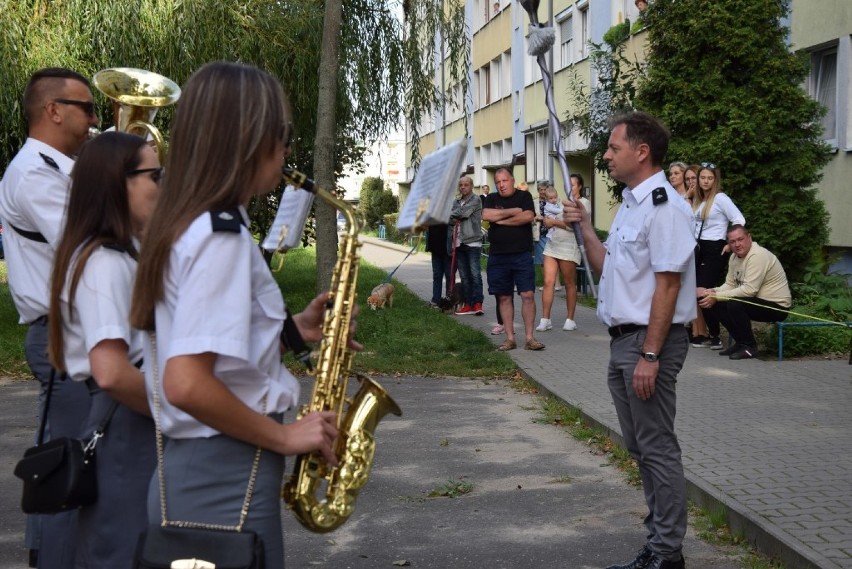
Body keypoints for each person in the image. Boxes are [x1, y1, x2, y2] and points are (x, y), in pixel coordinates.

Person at [130, 62, 346, 569]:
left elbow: (210, 353)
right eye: (283, 134)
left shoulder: (192, 223)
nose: (288, 150)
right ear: (248, 137)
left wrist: (293, 332)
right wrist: (286, 436)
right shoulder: (218, 236)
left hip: (207, 474)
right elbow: (185, 382)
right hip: (226, 480)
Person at [563, 111, 695, 569]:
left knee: (656, 446)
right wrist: (583, 226)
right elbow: (607, 267)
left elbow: (669, 286)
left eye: (613, 147)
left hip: (648, 342)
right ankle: (661, 533)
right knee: (640, 446)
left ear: (642, 152)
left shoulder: (665, 208)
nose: (605, 155)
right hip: (624, 341)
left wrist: (651, 354)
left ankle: (666, 553)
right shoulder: (631, 206)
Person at [0, 67, 100, 569]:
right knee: (67, 473)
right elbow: (87, 243)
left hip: (75, 334)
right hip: (63, 336)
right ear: (53, 110)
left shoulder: (60, 169)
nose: (96, 118)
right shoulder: (35, 173)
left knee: (65, 467)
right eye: (87, 108)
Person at [47, 132, 158, 567]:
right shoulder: (104, 262)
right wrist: (185, 410)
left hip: (129, 418)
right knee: (126, 549)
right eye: (155, 175)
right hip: (126, 422)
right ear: (119, 183)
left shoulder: (120, 254)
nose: (162, 185)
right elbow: (112, 371)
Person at [698, 225, 791, 360]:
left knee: (735, 304)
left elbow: (749, 290)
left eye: (740, 239)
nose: (737, 244)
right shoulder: (734, 258)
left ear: (749, 237)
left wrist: (717, 296)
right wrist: (712, 291)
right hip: (756, 302)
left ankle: (750, 347)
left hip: (776, 306)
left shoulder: (757, 255)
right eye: (732, 242)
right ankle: (741, 343)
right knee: (715, 304)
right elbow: (730, 285)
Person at [482, 168, 544, 351]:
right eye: (498, 182)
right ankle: (510, 338)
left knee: (527, 295)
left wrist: (500, 219)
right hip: (498, 256)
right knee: (504, 296)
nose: (501, 185)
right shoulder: (492, 198)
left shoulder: (524, 197)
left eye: (504, 181)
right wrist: (513, 212)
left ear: (512, 180)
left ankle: (530, 338)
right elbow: (486, 215)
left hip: (521, 253)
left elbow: (527, 217)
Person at [691, 162, 745, 349]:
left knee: (702, 292)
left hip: (714, 248)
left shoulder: (720, 198)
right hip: (699, 249)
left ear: (715, 180)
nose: (706, 181)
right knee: (698, 293)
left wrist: (730, 244)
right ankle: (715, 335)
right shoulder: (700, 200)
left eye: (710, 178)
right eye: (703, 177)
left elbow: (739, 219)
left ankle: (720, 336)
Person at [537, 186, 581, 331]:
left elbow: (574, 227)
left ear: (579, 186)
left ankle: (570, 319)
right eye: (568, 184)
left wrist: (554, 223)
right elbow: (549, 220)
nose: (569, 187)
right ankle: (545, 319)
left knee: (568, 282)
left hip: (568, 245)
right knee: (548, 281)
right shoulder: (561, 203)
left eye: (573, 184)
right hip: (552, 243)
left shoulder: (583, 203)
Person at [450, 176, 485, 315]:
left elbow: (464, 214)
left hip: (472, 242)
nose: (463, 187)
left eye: (466, 185)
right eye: (461, 185)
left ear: (471, 186)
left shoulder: (476, 199)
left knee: (475, 274)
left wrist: (453, 215)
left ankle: (477, 303)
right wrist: (453, 215)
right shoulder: (456, 201)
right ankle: (468, 304)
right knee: (464, 276)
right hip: (458, 242)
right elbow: (450, 219)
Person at [425, 222, 452, 308]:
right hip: (434, 245)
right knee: (437, 274)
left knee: (449, 275)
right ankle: (436, 299)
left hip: (447, 247)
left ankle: (449, 301)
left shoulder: (450, 208)